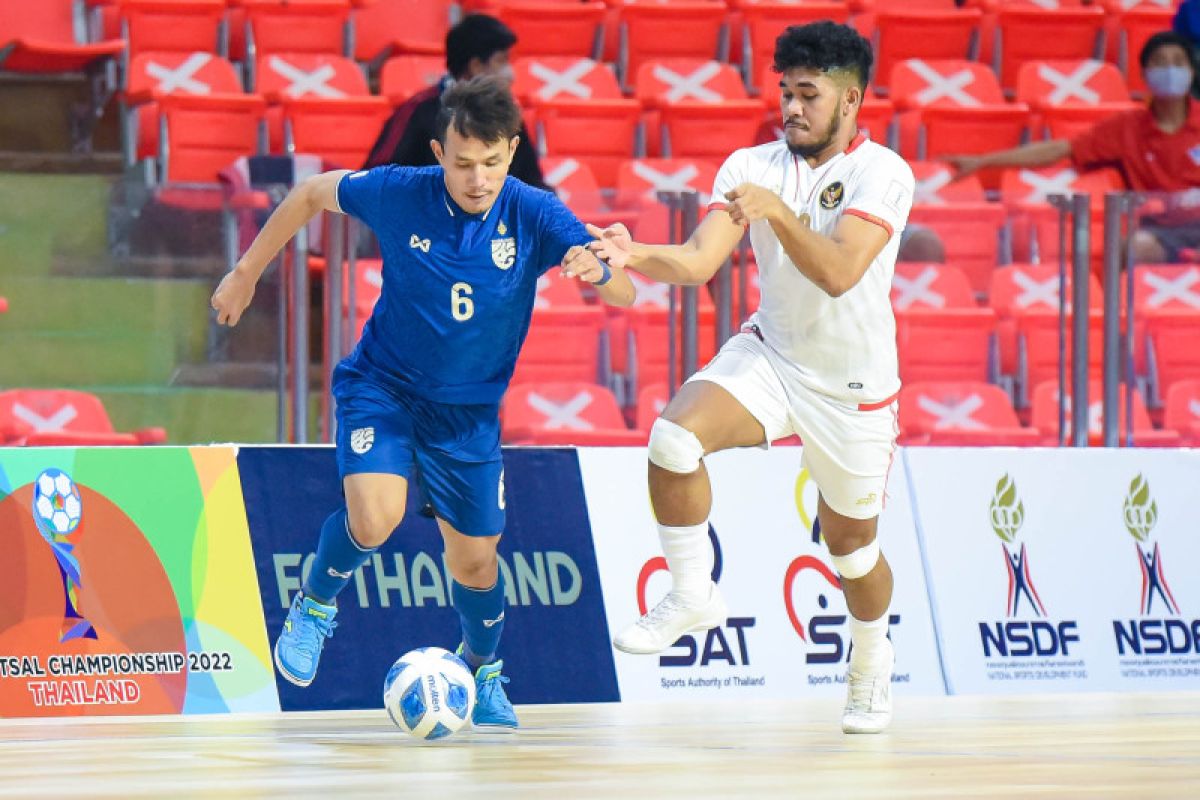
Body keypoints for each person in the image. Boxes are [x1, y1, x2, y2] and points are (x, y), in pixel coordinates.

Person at [210, 76, 634, 730]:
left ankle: (484, 669)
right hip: (383, 389)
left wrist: (600, 270)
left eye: (492, 163)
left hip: (467, 418)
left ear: (512, 151)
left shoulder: (534, 212)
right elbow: (308, 194)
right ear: (440, 153)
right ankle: (315, 604)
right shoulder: (400, 191)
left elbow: (625, 292)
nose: (477, 178)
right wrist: (245, 272)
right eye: (463, 163)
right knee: (377, 519)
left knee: (475, 562)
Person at [588, 21, 913, 735]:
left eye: (809, 95)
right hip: (772, 352)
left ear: (851, 99)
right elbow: (700, 263)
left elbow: (836, 273)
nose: (791, 108)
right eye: (785, 92)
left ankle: (869, 660)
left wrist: (781, 214)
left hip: (853, 387)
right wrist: (635, 253)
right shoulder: (748, 165)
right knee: (673, 437)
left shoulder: (883, 172)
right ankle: (692, 592)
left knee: (853, 551)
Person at [948, 31, 1200, 264]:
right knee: (1136, 248)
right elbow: (1061, 149)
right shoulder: (1127, 128)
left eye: (1178, 63)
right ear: (1144, 74)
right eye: (1160, 62)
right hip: (1158, 230)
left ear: (1192, 72)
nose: (1170, 70)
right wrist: (983, 161)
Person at [363, 13, 547, 190]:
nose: (511, 75)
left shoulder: (509, 117)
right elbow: (376, 181)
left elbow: (533, 184)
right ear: (475, 66)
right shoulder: (419, 111)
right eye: (501, 61)